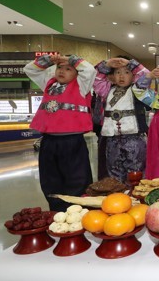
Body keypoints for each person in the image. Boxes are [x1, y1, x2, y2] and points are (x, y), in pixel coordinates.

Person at [24, 54, 96, 211]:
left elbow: (89, 70)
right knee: (50, 179)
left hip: (72, 141)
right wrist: (49, 60)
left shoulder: (82, 85)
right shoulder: (49, 83)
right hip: (48, 141)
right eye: (59, 68)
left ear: (77, 73)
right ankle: (56, 211)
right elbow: (29, 69)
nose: (62, 71)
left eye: (68, 69)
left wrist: (70, 59)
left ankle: (78, 211)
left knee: (77, 178)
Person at [93, 56, 150, 183]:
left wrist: (131, 64)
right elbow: (95, 78)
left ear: (133, 75)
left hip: (134, 138)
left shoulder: (138, 89)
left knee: (136, 171)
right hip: (112, 139)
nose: (122, 76)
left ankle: (135, 197)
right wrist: (106, 64)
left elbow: (145, 75)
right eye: (118, 72)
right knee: (114, 172)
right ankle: (118, 197)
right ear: (112, 75)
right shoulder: (106, 90)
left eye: (127, 72)